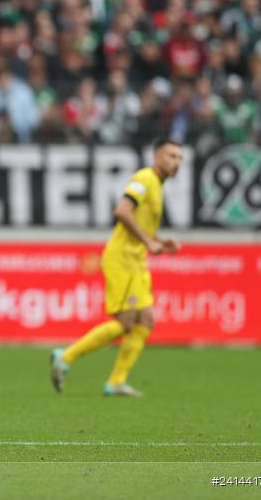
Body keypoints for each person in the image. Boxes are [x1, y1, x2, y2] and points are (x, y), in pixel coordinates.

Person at [50, 139, 184, 397]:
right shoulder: (144, 179)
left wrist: (158, 242)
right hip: (122, 258)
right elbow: (122, 210)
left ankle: (116, 382)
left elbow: (138, 223)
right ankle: (65, 356)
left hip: (136, 259)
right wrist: (148, 241)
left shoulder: (156, 185)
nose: (176, 162)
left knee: (146, 319)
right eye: (171, 156)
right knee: (125, 322)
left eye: (179, 158)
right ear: (157, 155)